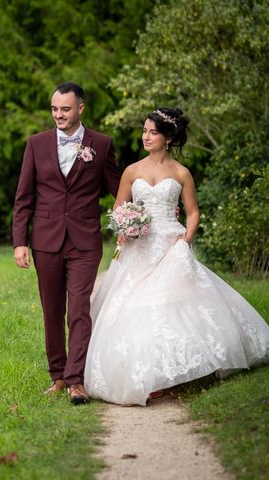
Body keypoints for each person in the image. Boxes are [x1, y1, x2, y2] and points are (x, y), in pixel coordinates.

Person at [84, 107, 269, 406]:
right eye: (144, 130)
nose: (145, 136)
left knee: (172, 304)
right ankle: (150, 373)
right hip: (139, 246)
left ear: (168, 138)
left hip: (171, 243)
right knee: (135, 305)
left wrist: (187, 237)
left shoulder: (181, 173)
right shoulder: (132, 171)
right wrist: (125, 225)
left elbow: (193, 212)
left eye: (152, 132)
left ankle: (187, 368)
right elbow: (118, 209)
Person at [12, 82, 121, 405]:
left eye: (65, 109)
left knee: (78, 309)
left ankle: (77, 380)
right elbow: (24, 197)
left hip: (85, 240)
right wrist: (20, 242)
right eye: (54, 109)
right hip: (45, 239)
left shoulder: (101, 145)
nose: (59, 115)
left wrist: (144, 206)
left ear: (81, 109)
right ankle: (58, 376)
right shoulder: (36, 144)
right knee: (52, 310)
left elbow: (119, 188)